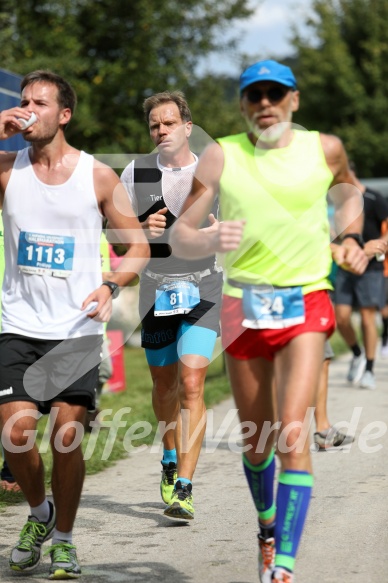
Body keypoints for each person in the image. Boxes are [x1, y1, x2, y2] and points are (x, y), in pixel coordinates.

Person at [170, 59, 367, 582]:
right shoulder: (221, 155)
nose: (265, 104)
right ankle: (266, 527)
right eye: (254, 95)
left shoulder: (323, 148)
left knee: (292, 431)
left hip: (306, 299)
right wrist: (210, 238)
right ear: (241, 104)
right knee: (258, 442)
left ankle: (282, 568)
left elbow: (349, 190)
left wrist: (348, 238)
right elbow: (181, 233)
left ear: (294, 100)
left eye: (275, 94)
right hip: (242, 305)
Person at [0, 70, 149, 578]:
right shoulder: (6, 169)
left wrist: (112, 284)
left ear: (63, 115)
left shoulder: (97, 176)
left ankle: (63, 537)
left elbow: (140, 246)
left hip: (76, 328)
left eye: (39, 102)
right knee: (15, 435)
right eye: (23, 101)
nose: (27, 109)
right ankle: (40, 515)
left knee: (67, 435)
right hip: (17, 324)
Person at [121, 91, 223, 520]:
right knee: (164, 386)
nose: (161, 131)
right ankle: (167, 456)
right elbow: (117, 232)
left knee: (193, 384)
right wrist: (140, 226)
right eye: (154, 125)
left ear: (187, 126)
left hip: (203, 288)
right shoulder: (136, 172)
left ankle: (185, 485)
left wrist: (224, 229)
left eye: (168, 123)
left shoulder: (212, 171)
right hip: (157, 288)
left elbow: (243, 224)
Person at [333, 164, 388, 389]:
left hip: (371, 267)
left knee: (367, 316)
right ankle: (357, 353)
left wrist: (379, 246)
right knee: (342, 318)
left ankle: (369, 370)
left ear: (350, 173)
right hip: (346, 265)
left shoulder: (374, 198)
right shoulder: (340, 202)